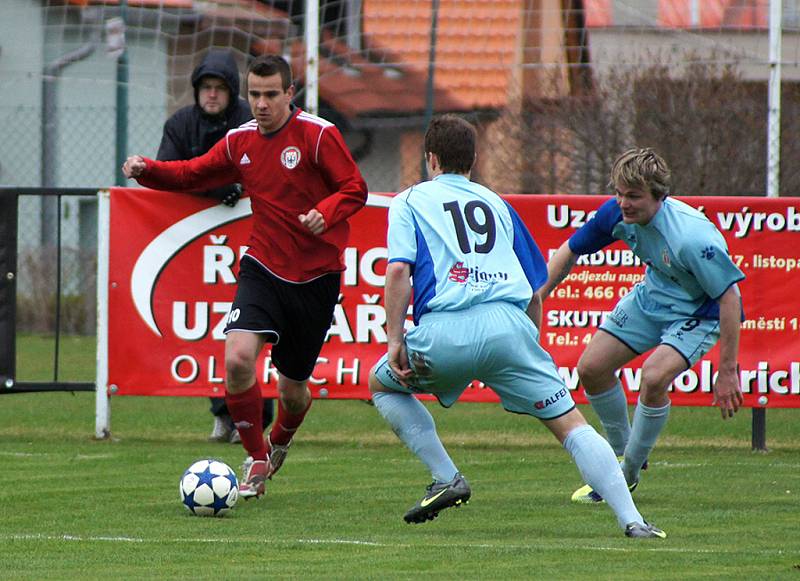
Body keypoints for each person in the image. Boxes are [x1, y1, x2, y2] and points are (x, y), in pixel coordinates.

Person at [368, 115, 664, 538]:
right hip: (510, 327)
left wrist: (395, 338)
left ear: (430, 158)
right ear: (473, 159)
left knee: (381, 385)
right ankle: (632, 520)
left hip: (445, 330)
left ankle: (446, 476)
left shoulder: (409, 200)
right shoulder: (498, 204)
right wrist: (531, 346)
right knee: (572, 426)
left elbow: (398, 271)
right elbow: (534, 290)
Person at [123, 54, 368, 499]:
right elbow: (193, 171)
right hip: (263, 266)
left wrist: (325, 213)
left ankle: (281, 439)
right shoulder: (241, 142)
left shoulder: (317, 136)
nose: (261, 104)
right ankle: (255, 457)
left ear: (290, 94)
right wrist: (149, 170)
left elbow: (355, 188)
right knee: (236, 358)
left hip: (316, 276)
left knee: (293, 391)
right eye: (254, 94)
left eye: (271, 94)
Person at [537, 147, 744, 504]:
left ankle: (626, 474)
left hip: (699, 311)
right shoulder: (616, 213)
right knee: (591, 369)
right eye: (619, 193)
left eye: (633, 196)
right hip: (652, 297)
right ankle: (623, 452)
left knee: (652, 377)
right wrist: (538, 296)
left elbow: (730, 298)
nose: (623, 203)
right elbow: (567, 251)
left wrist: (728, 371)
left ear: (658, 196)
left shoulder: (692, 239)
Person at [155, 48, 274, 445]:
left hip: (253, 246)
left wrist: (237, 189)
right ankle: (223, 415)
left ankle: (258, 415)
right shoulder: (179, 125)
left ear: (230, 92)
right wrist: (214, 189)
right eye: (205, 87)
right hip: (198, 250)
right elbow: (169, 174)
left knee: (255, 330)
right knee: (207, 329)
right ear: (195, 90)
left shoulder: (250, 120)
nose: (211, 95)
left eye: (218, 88)